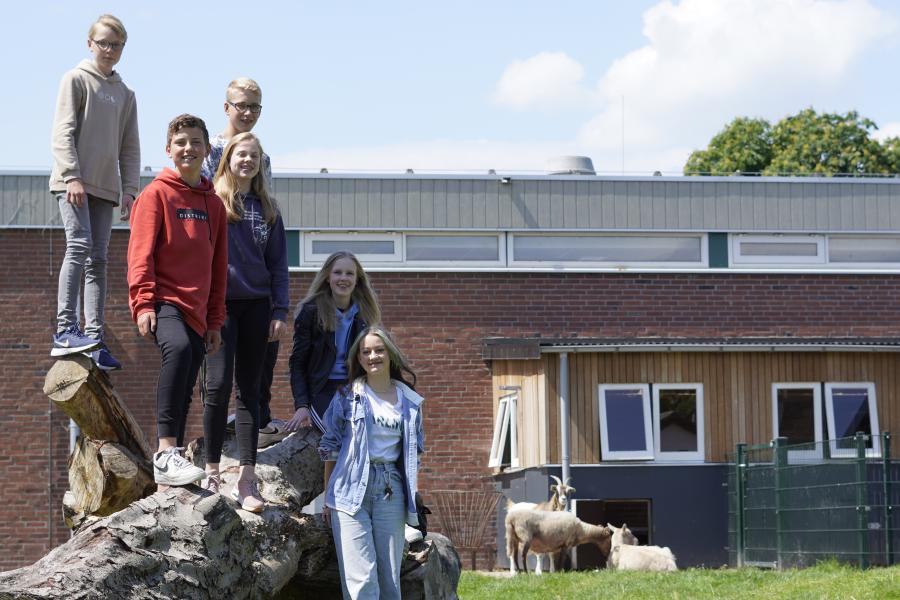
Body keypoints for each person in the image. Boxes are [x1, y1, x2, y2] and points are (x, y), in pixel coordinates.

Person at [127, 114, 227, 488]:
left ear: (205, 149)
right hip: (165, 299)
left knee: (187, 383)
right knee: (180, 352)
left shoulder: (212, 204)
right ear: (168, 150)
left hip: (200, 312)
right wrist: (144, 303)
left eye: (195, 142)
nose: (188, 148)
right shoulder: (156, 194)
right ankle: (165, 450)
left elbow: (219, 267)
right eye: (181, 142)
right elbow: (140, 253)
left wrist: (215, 319)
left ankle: (175, 466)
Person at [201, 132, 288, 512]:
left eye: (254, 155)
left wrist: (280, 311)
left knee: (249, 393)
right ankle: (211, 472)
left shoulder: (268, 209)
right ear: (228, 159)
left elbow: (279, 265)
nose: (247, 160)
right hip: (220, 308)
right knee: (217, 387)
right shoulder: (213, 202)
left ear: (259, 163)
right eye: (241, 154)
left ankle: (247, 478)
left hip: (258, 307)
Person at [50, 14, 140, 370]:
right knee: (79, 245)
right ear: (90, 43)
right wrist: (72, 175)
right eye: (103, 42)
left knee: (99, 259)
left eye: (115, 44)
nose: (109, 49)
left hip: (106, 188)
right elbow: (62, 132)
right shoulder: (75, 79)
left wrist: (130, 190)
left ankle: (94, 337)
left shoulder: (125, 94)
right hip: (73, 184)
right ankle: (64, 329)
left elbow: (129, 148)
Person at [201, 77, 284, 448]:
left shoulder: (261, 156)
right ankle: (212, 451)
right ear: (226, 107)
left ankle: (254, 427)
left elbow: (268, 235)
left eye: (255, 106)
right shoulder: (208, 150)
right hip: (218, 291)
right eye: (241, 105)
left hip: (256, 294)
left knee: (255, 376)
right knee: (216, 378)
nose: (248, 112)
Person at [318, 326, 425, 600]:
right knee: (362, 580)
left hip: (391, 489)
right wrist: (328, 498)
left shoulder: (410, 401)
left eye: (379, 350)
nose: (373, 356)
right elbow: (330, 449)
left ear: (390, 355)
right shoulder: (346, 397)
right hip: (348, 490)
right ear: (358, 358)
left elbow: (414, 455)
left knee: (390, 580)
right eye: (366, 352)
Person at [285, 252, 381, 434]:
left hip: (356, 388)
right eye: (338, 272)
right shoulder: (310, 311)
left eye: (349, 273)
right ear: (327, 277)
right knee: (337, 435)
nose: (343, 278)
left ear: (357, 280)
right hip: (322, 390)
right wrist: (302, 405)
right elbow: (298, 363)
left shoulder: (365, 313)